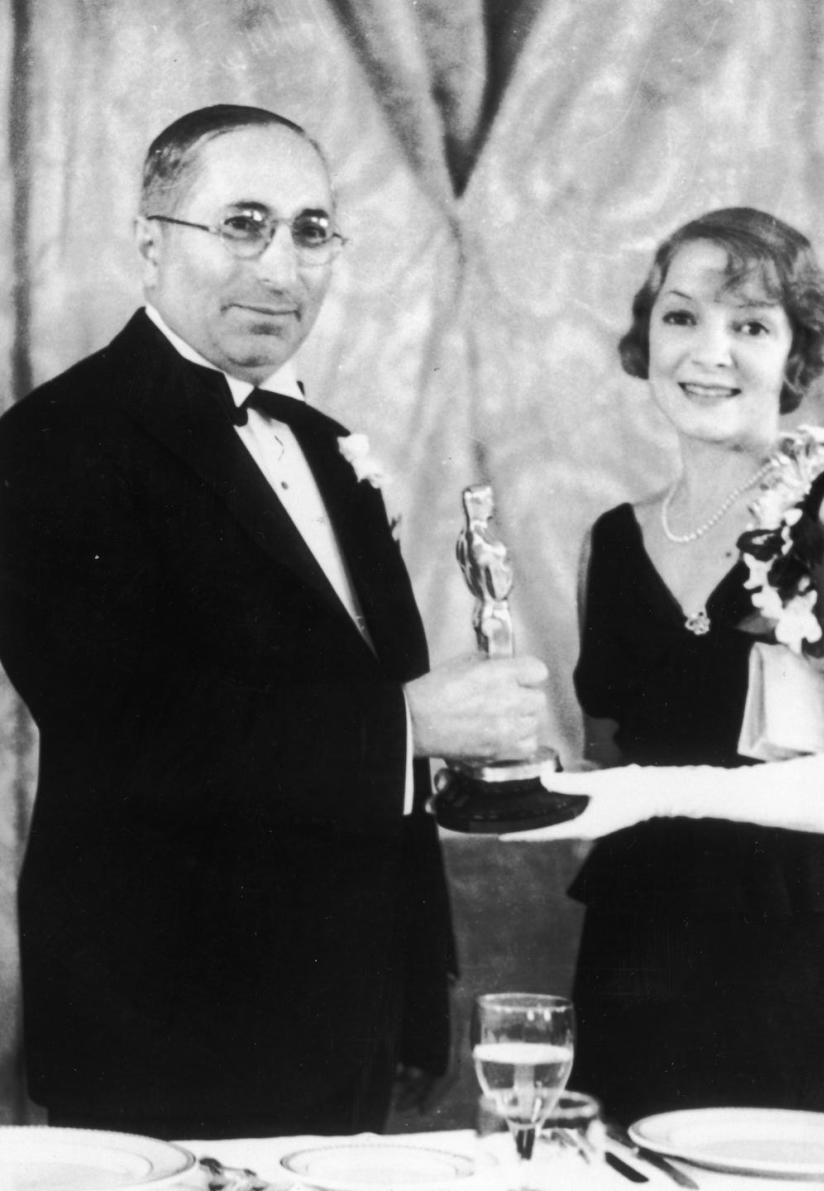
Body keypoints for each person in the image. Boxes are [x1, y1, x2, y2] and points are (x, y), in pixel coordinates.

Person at [0, 105, 548, 1139]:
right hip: (167, 1024)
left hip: (354, 1010)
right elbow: (129, 735)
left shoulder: (325, 439)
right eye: (243, 223)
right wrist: (416, 726)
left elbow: (337, 695)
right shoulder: (51, 445)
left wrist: (473, 764)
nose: (280, 267)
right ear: (152, 242)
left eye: (309, 231)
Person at [515, 208, 824, 1125]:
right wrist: (509, 784)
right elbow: (612, 771)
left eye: (750, 325)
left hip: (803, 966)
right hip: (639, 950)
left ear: (796, 354)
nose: (710, 351)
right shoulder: (612, 542)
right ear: (647, 339)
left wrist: (661, 791)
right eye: (681, 317)